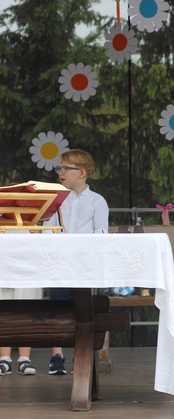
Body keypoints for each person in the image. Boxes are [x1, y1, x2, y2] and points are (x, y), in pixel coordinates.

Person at [45, 149, 109, 375]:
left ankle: (81, 357)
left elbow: (101, 234)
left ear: (81, 173)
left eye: (65, 168)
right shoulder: (57, 201)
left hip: (84, 266)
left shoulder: (97, 201)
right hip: (61, 264)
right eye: (59, 168)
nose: (60, 172)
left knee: (83, 309)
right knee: (58, 306)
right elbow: (47, 231)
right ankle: (57, 355)